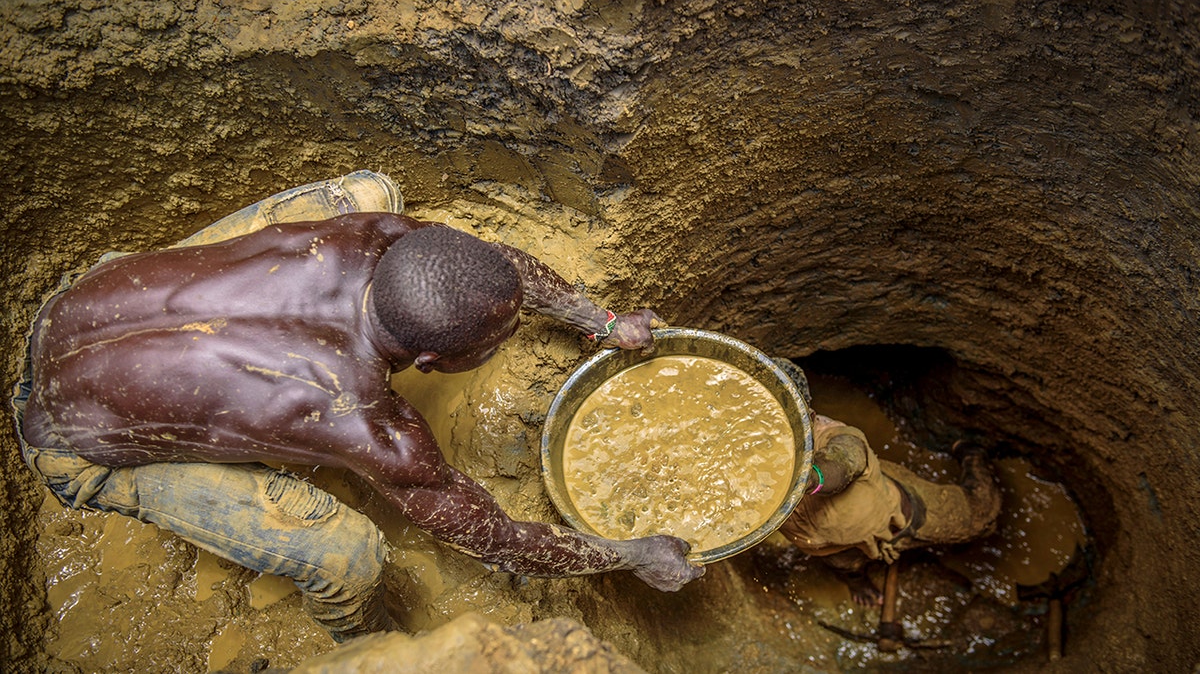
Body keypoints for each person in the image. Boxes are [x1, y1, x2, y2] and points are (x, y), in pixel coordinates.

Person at [12, 170, 704, 642]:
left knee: (369, 185)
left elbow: (495, 265)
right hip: (70, 439)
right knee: (349, 556)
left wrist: (603, 321)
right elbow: (498, 539)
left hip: (83, 304)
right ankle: (359, 642)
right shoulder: (366, 422)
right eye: (493, 345)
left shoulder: (377, 235)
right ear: (432, 364)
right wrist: (634, 551)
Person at [771, 359, 1002, 606]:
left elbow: (843, 461)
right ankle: (856, 580)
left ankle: (971, 454)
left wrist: (808, 478)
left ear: (808, 414)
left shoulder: (835, 437)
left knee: (980, 516)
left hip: (895, 516)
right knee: (845, 562)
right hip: (828, 545)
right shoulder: (745, 453)